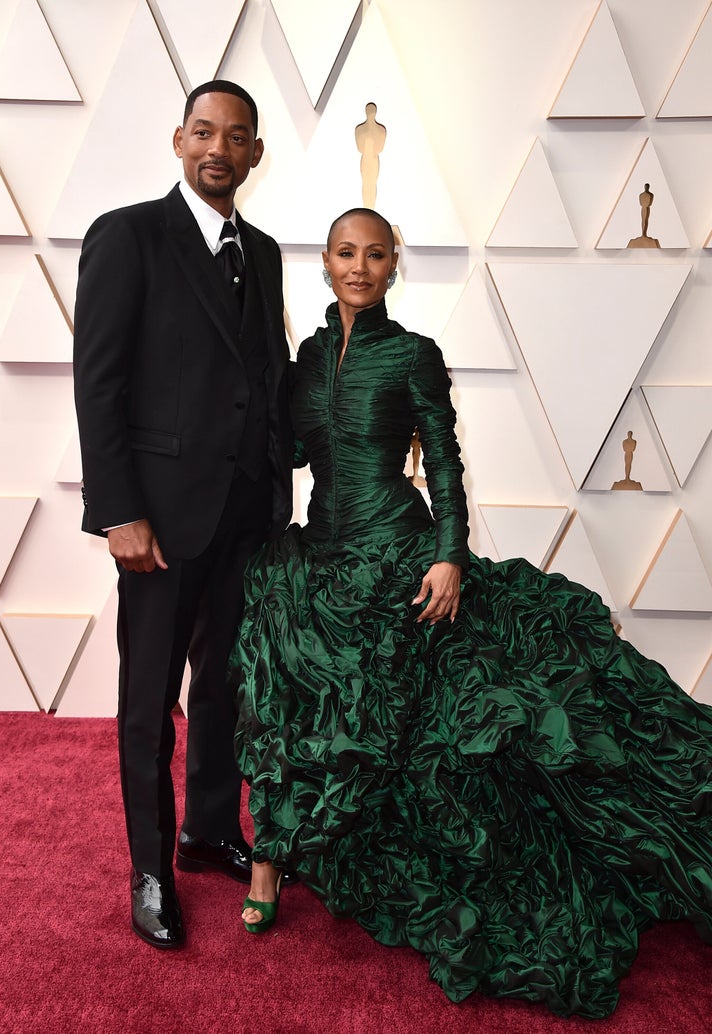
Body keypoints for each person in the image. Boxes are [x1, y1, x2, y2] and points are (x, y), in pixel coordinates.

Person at [232, 207, 712, 1017]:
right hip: (319, 557)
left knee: (452, 726)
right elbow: (291, 453)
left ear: (393, 266)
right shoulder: (303, 364)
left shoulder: (414, 355)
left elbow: (446, 462)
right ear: (324, 262)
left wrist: (449, 554)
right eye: (345, 253)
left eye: (374, 255)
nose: (359, 267)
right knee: (278, 680)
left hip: (402, 558)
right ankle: (268, 865)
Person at [73, 80, 294, 949]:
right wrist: (119, 511)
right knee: (148, 699)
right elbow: (99, 385)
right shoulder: (128, 235)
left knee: (226, 688)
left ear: (254, 155)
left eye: (236, 137)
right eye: (204, 132)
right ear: (177, 139)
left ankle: (207, 832)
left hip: (246, 513)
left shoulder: (266, 250)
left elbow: (263, 376)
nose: (218, 148)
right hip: (158, 522)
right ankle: (152, 868)